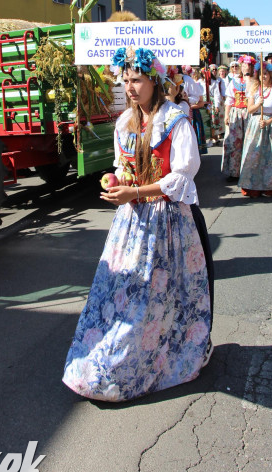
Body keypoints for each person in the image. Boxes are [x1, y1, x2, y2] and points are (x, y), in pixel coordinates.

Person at [62, 47, 213, 402]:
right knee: (122, 293)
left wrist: (136, 191)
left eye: (137, 80)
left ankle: (160, 356)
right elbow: (122, 167)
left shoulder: (176, 119)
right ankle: (110, 360)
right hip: (132, 222)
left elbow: (182, 175)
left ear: (153, 81)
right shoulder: (124, 122)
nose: (129, 87)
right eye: (125, 80)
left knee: (161, 294)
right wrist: (116, 182)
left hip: (168, 220)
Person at [238, 63, 272, 198]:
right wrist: (258, 104)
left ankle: (271, 186)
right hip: (256, 124)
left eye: (265, 73)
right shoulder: (254, 89)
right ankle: (252, 186)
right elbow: (249, 110)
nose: (263, 76)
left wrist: (268, 121)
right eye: (260, 73)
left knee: (271, 157)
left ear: (271, 74)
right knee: (254, 155)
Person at [221, 55, 254, 179]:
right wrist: (227, 115)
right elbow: (229, 99)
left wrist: (249, 78)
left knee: (249, 142)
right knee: (234, 142)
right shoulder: (234, 81)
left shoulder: (255, 81)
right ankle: (233, 171)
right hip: (236, 112)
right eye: (245, 65)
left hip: (250, 113)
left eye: (249, 65)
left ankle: (248, 171)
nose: (247, 67)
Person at [208, 64, 226, 145]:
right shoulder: (203, 81)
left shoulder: (217, 81)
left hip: (214, 101)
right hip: (206, 102)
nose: (214, 71)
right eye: (212, 70)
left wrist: (217, 105)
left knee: (214, 120)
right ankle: (211, 137)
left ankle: (215, 136)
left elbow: (217, 94)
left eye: (215, 69)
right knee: (207, 120)